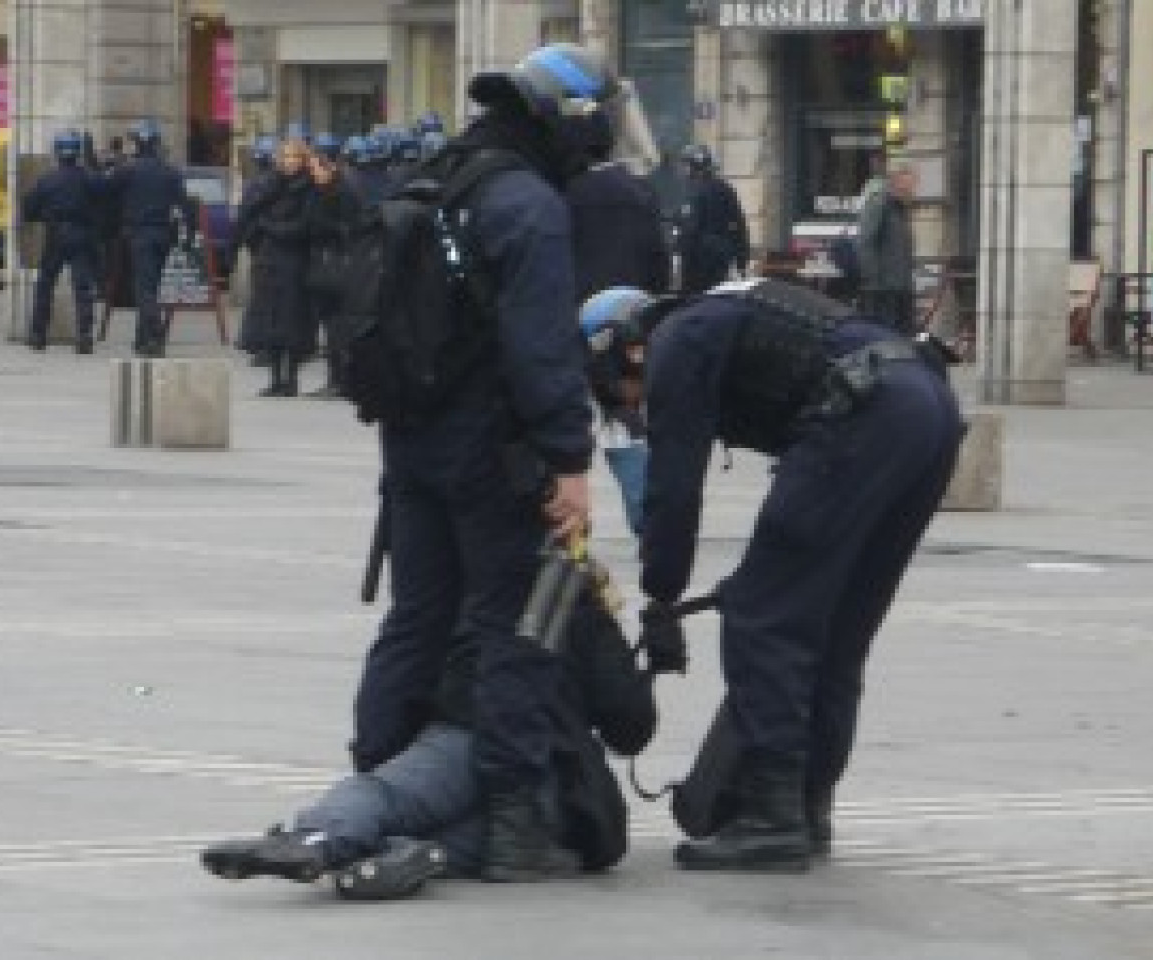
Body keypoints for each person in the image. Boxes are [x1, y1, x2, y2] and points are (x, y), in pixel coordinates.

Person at [350, 43, 627, 883]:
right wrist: (569, 460)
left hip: (410, 439)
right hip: (492, 452)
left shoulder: (433, 179)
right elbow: (541, 348)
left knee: (416, 617)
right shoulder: (527, 203)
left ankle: (379, 784)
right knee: (517, 629)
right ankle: (511, 824)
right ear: (570, 121)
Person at [578, 279, 964, 873]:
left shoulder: (677, 344)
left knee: (763, 616)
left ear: (625, 350)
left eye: (620, 390)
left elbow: (673, 486)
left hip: (865, 413)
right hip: (928, 409)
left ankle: (772, 817)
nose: (631, 403)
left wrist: (660, 595)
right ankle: (809, 805)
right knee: (836, 626)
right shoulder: (724, 311)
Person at [200, 583, 657, 897]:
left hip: (463, 734)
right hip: (552, 786)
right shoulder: (576, 597)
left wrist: (380, 748)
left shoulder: (456, 581)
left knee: (385, 793)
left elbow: (399, 674)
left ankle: (317, 840)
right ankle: (401, 857)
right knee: (460, 838)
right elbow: (631, 727)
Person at [567, 145, 669, 536]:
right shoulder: (640, 190)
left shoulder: (565, 190)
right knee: (626, 408)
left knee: (575, 409)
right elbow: (660, 256)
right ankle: (646, 510)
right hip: (633, 313)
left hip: (579, 314)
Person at [107, 119, 195, 357]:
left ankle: (154, 337)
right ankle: (142, 338)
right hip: (164, 235)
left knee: (144, 289)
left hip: (140, 235)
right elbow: (187, 206)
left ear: (137, 142)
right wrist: (189, 237)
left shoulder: (128, 169)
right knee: (152, 286)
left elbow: (105, 190)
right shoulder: (170, 171)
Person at [240, 134, 315, 397]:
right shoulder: (269, 186)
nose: (289, 162)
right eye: (285, 157)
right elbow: (249, 219)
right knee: (269, 320)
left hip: (294, 262)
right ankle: (274, 378)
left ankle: (290, 377)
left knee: (292, 321)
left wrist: (270, 228)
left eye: (295, 157)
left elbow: (304, 228)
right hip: (268, 260)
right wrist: (259, 237)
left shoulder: (309, 188)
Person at [21, 131, 102, 353]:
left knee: (45, 286)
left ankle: (38, 335)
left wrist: (44, 215)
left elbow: (29, 209)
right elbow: (102, 197)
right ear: (78, 153)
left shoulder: (47, 179)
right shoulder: (88, 177)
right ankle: (84, 336)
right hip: (81, 234)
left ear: (57, 152)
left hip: (56, 235)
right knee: (83, 287)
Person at [304, 132, 361, 399]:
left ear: (327, 163)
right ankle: (335, 378)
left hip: (338, 265)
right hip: (326, 265)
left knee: (338, 327)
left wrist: (321, 226)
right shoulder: (322, 189)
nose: (311, 170)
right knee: (330, 326)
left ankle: (342, 381)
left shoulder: (343, 189)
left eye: (314, 164)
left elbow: (349, 228)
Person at [230, 135, 279, 364]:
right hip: (275, 245)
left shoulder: (257, 184)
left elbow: (243, 217)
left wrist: (236, 244)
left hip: (261, 245)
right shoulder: (282, 182)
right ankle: (262, 343)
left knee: (262, 296)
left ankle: (258, 343)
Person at [675, 144, 750, 295]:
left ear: (693, 166)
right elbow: (740, 227)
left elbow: (690, 231)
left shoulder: (695, 192)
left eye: (685, 164)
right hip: (723, 262)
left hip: (699, 266)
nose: (682, 169)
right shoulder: (725, 188)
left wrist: (680, 256)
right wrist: (742, 262)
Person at [856, 156, 918, 336]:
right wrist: (873, 282)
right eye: (912, 180)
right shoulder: (879, 202)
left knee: (905, 339)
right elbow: (866, 241)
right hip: (883, 290)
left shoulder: (900, 207)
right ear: (898, 178)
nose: (914, 186)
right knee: (885, 338)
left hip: (901, 287)